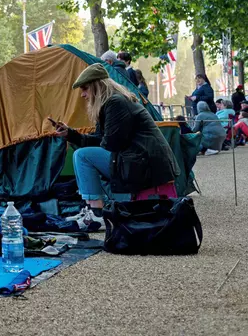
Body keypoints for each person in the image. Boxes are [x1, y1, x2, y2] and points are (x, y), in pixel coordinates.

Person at [54, 63, 177, 230]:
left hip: (145, 163)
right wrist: (70, 134)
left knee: (82, 156)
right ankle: (92, 209)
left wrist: (92, 141)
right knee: (83, 154)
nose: (83, 95)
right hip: (140, 160)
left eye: (85, 89)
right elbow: (101, 140)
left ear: (97, 87)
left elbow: (111, 143)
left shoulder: (115, 103)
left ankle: (96, 213)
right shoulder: (113, 102)